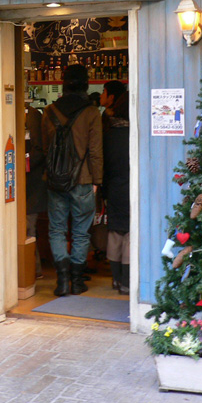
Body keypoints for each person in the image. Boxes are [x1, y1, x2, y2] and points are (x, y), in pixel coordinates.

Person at [41, 64, 102, 296]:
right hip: (84, 180)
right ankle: (77, 281)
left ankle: (62, 280)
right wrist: (97, 180)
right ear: (86, 84)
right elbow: (96, 151)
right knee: (81, 231)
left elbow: (47, 148)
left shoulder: (48, 112)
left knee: (56, 229)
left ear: (63, 83)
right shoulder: (91, 113)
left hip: (55, 180)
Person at [101, 83, 130, 294]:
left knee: (114, 233)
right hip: (132, 188)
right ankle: (127, 283)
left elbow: (103, 165)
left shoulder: (108, 134)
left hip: (113, 188)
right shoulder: (136, 135)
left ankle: (115, 280)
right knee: (130, 234)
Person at [25, 106, 46, 278]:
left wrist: (21, 165)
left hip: (30, 184)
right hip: (26, 183)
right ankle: (31, 270)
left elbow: (39, 151)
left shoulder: (31, 115)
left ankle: (32, 270)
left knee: (28, 228)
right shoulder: (31, 114)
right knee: (27, 228)